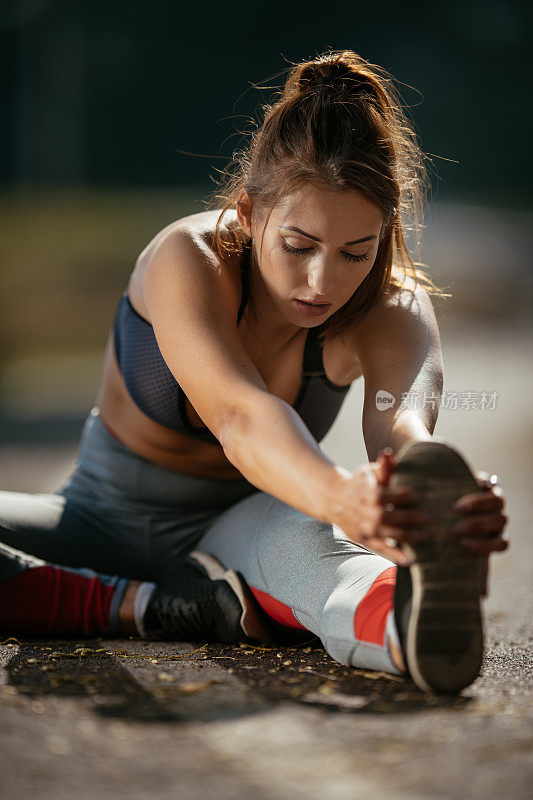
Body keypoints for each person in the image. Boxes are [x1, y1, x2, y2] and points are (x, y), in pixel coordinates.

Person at [0, 49, 508, 693]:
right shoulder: (187, 258)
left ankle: (403, 625)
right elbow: (240, 417)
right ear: (248, 212)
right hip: (96, 517)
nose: (323, 283)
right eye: (299, 246)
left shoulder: (393, 307)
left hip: (249, 526)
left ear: (386, 235)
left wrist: (436, 504)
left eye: (357, 251)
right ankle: (152, 607)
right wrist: (336, 497)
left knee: (329, 565)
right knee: (318, 528)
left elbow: (402, 432)